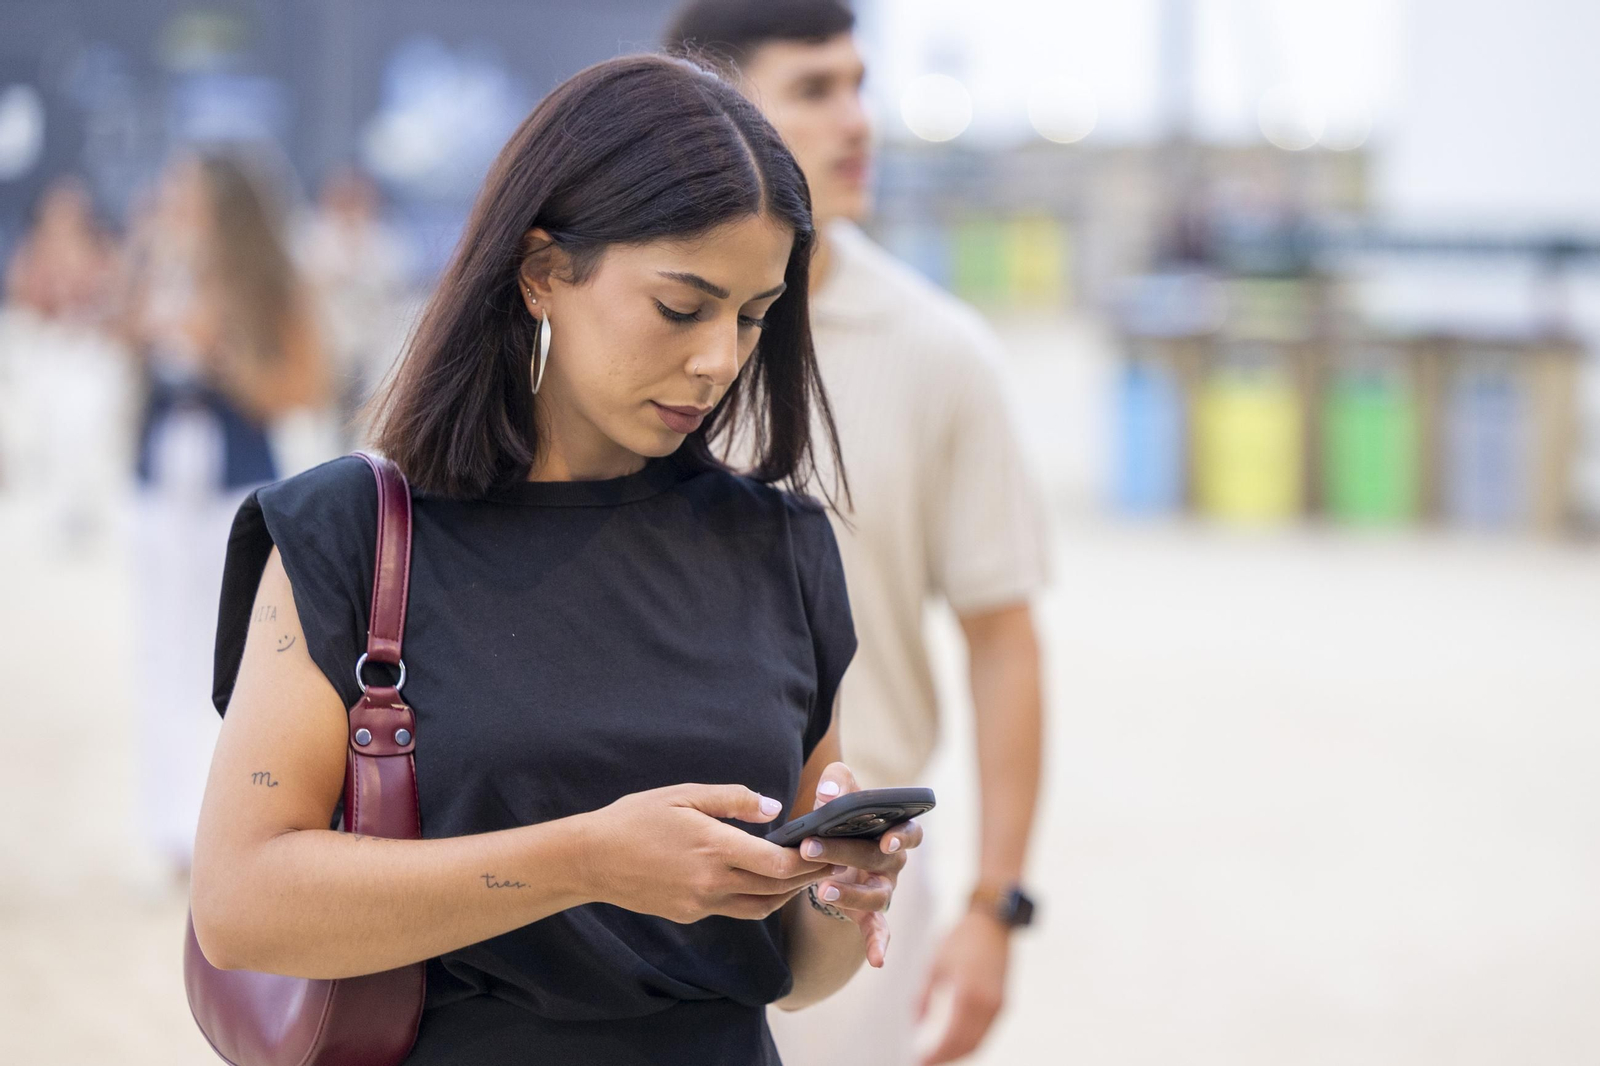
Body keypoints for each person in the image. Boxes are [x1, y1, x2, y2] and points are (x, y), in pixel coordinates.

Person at [189, 54, 924, 1064]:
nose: (719, 358)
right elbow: (238, 904)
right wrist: (584, 860)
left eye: (753, 316)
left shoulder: (780, 546)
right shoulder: (354, 533)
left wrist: (839, 892)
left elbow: (794, 974)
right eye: (681, 306)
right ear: (541, 271)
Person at [665, 4, 1051, 1063]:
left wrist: (994, 904)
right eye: (814, 90)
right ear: (717, 112)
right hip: (622, 867)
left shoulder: (940, 353)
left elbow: (1003, 637)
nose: (856, 121)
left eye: (859, 85)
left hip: (848, 878)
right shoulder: (616, 337)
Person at [123, 153, 329, 879]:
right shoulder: (156, 269)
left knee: (230, 659)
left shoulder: (271, 282)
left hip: (232, 485)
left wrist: (223, 355)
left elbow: (303, 388)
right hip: (158, 479)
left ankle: (225, 831)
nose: (175, 204)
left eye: (189, 195)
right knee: (160, 654)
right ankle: (167, 832)